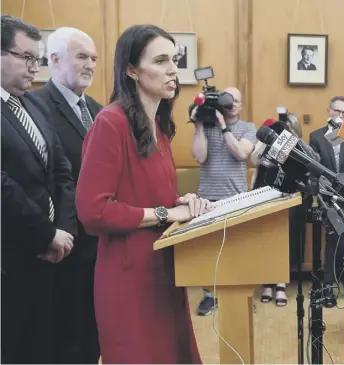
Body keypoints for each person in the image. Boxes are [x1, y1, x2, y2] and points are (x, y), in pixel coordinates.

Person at [75, 24, 213, 364]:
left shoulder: (160, 126)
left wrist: (181, 203)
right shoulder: (110, 122)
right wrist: (167, 213)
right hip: (128, 277)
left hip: (163, 268)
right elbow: (92, 210)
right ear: (132, 70)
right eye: (161, 60)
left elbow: (148, 196)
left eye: (174, 60)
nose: (172, 70)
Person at [1, 15, 76, 364]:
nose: (35, 68)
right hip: (11, 257)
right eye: (27, 58)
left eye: (38, 59)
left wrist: (63, 230)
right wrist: (47, 234)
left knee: (42, 348)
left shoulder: (34, 104)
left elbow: (61, 171)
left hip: (51, 255)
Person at [30, 26, 101, 364]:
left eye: (94, 58)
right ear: (54, 60)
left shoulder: (99, 111)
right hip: (61, 243)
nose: (90, 64)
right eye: (82, 57)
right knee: (63, 340)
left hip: (99, 243)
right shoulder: (34, 106)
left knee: (92, 334)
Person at [191, 86, 256, 315]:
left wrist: (223, 127)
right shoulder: (206, 126)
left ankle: (241, 294)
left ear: (241, 105)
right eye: (228, 100)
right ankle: (210, 296)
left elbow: (241, 153)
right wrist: (199, 124)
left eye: (236, 100)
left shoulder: (248, 128)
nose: (232, 104)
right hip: (207, 197)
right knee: (208, 250)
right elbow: (200, 157)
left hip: (236, 196)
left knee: (237, 249)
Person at [250, 112, 320, 306]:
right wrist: (267, 142)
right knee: (266, 241)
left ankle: (281, 283)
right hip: (265, 197)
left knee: (287, 242)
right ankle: (267, 283)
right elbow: (255, 160)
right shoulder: (267, 145)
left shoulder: (300, 148)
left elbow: (313, 162)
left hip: (289, 199)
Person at [309, 96, 344, 307]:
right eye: (337, 111)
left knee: (342, 237)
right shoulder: (317, 136)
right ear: (329, 111)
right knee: (335, 237)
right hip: (327, 197)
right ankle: (334, 284)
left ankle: (342, 281)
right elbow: (314, 167)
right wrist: (330, 190)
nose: (341, 116)